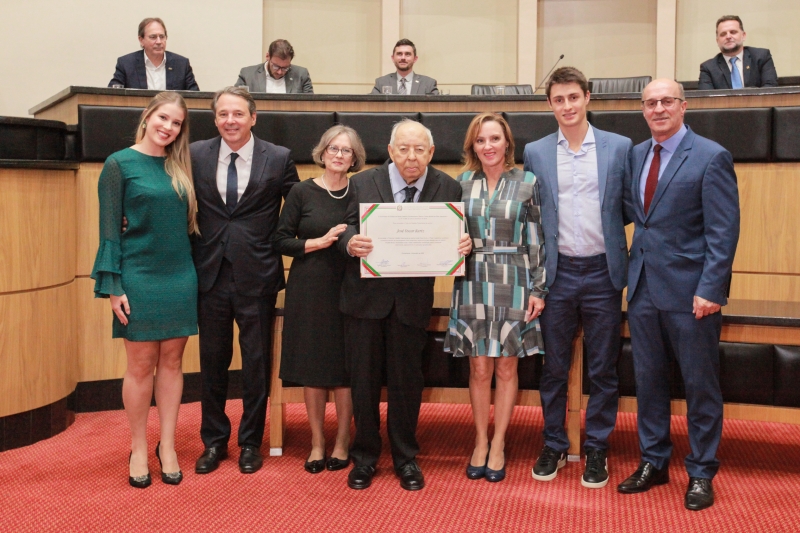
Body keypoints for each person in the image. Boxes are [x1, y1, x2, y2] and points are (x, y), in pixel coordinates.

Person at [617, 79, 739, 511]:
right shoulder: (636, 155)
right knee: (649, 382)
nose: (659, 109)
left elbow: (723, 232)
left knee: (700, 385)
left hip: (692, 295)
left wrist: (711, 289)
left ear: (683, 106)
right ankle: (654, 460)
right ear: (643, 110)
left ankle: (702, 471)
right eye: (651, 103)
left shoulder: (710, 156)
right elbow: (638, 218)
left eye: (667, 101)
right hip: (645, 288)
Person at [339, 119, 471, 491]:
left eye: (419, 150)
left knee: (406, 383)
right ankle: (364, 457)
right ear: (391, 150)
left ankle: (405, 458)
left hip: (412, 302)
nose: (411, 157)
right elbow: (345, 228)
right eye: (403, 149)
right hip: (364, 301)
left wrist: (464, 245)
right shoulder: (363, 182)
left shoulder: (448, 187)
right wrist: (350, 243)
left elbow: (457, 236)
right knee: (362, 383)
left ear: (431, 153)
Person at [523, 67, 633, 489]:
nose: (567, 106)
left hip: (604, 273)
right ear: (550, 104)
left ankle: (598, 448)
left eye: (573, 97)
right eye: (558, 99)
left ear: (588, 97)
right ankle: (554, 442)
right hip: (559, 274)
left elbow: (625, 206)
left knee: (603, 369)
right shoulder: (535, 151)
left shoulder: (619, 147)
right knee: (554, 367)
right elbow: (537, 214)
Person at [90, 91, 199, 488]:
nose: (168, 128)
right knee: (139, 367)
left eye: (176, 124)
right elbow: (109, 232)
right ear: (148, 115)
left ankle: (166, 445)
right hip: (137, 276)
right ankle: (138, 446)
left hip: (180, 275)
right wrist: (114, 286)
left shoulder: (180, 166)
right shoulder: (119, 164)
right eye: (164, 118)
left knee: (172, 364)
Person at [191, 86, 299, 475]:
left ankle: (251, 440)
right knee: (212, 362)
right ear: (215, 118)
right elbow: (176, 202)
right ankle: (214, 441)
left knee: (256, 363)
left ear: (253, 117)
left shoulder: (280, 158)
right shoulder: (195, 154)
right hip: (211, 274)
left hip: (258, 275)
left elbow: (298, 210)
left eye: (238, 114)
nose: (230, 121)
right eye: (223, 114)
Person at [445, 113, 546, 483]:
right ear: (473, 146)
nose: (488, 146)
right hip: (472, 278)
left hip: (514, 279)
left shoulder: (528, 182)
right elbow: (449, 232)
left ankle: (500, 442)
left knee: (506, 367)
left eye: (494, 139)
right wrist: (458, 244)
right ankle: (480, 440)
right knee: (478, 368)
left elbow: (537, 239)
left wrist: (539, 288)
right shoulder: (461, 183)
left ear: (507, 144)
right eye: (481, 140)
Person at [273, 126, 365, 473]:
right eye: (333, 149)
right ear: (322, 152)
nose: (339, 155)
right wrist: (318, 242)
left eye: (347, 151)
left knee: (344, 370)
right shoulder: (301, 191)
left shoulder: (361, 190)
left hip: (350, 288)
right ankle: (317, 442)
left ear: (354, 158)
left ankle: (342, 442)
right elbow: (281, 240)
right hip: (309, 289)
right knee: (313, 370)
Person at [109, 17, 200, 91]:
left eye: (162, 36)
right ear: (141, 40)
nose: (159, 41)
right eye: (153, 37)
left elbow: (195, 97)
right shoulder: (126, 64)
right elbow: (113, 93)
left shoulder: (181, 64)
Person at [698, 15, 777, 90]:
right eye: (723, 34)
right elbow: (707, 99)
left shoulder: (761, 57)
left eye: (733, 32)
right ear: (717, 41)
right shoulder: (708, 68)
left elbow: (770, 89)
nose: (728, 37)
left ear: (743, 35)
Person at [235, 39, 313, 94]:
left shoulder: (301, 75)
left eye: (285, 68)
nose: (280, 72)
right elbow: (236, 101)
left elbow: (309, 106)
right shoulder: (247, 75)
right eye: (276, 66)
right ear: (267, 56)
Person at [371, 39, 438, 95]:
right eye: (399, 54)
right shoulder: (381, 82)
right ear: (393, 58)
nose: (403, 58)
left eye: (407, 54)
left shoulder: (429, 84)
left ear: (415, 59)